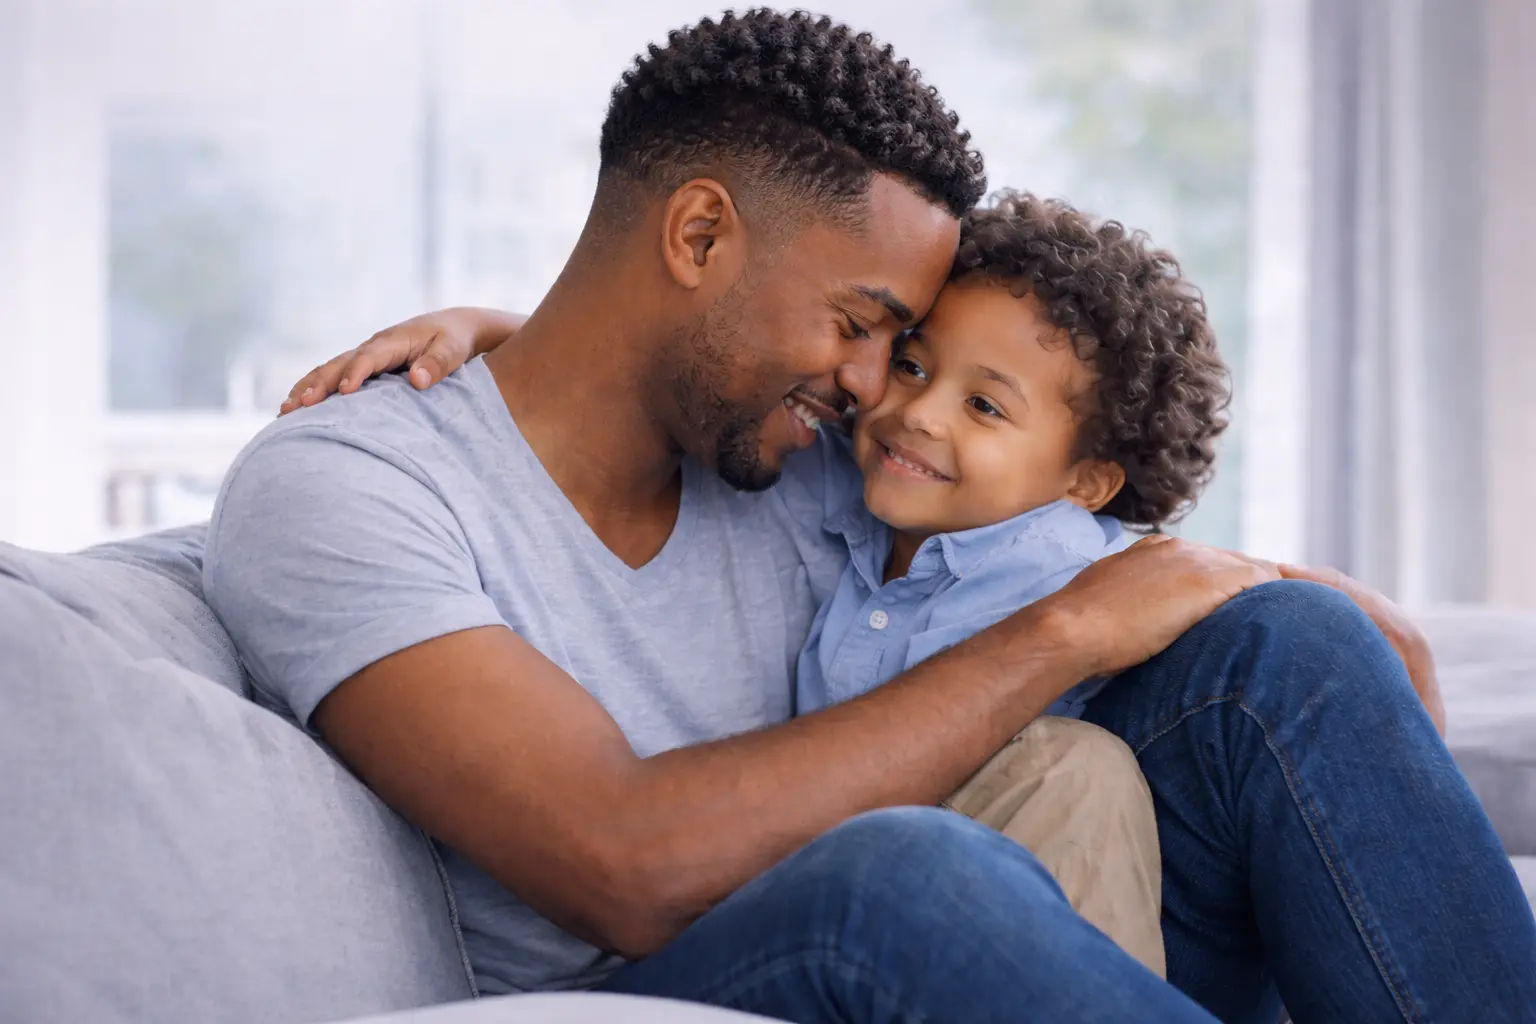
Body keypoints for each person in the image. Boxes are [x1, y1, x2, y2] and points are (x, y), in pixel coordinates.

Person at [210, 10, 1536, 1023]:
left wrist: (1281, 599)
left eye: (893, 348)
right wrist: (1066, 630)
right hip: (689, 966)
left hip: (973, 954)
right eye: (862, 328)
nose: (870, 387)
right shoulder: (348, 487)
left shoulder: (789, 445)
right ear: (698, 236)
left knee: (1286, 653)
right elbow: (620, 859)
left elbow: (1024, 505)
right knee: (905, 872)